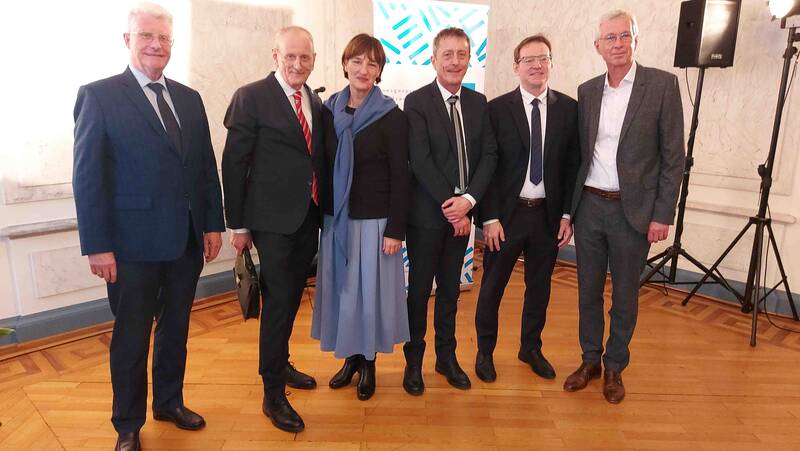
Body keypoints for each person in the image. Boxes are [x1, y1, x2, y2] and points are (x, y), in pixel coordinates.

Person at [72, 2, 224, 450]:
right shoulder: (99, 95)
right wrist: (97, 245)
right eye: (146, 36)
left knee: (175, 330)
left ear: (171, 44)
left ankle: (169, 402)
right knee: (132, 338)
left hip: (185, 242)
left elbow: (204, 167)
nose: (156, 45)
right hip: (130, 247)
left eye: (164, 38)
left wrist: (212, 224)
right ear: (128, 40)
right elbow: (88, 178)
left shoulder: (190, 98)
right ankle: (127, 425)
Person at [565, 10, 684, 404]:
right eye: (610, 38)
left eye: (624, 36)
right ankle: (590, 360)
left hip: (633, 212)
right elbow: (580, 155)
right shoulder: (587, 91)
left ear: (635, 40)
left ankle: (615, 366)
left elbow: (673, 158)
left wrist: (662, 214)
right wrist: (569, 210)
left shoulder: (662, 86)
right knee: (587, 292)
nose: (617, 44)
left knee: (625, 295)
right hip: (589, 207)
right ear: (597, 46)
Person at [221, 26, 325, 432]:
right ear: (275, 56)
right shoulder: (250, 97)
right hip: (270, 222)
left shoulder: (314, 99)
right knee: (279, 301)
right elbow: (234, 164)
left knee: (292, 297)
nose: (298, 64)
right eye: (290, 56)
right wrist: (238, 224)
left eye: (305, 57)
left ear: (313, 59)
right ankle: (272, 393)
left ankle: (281, 363)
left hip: (308, 218)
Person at [474, 34, 579, 383]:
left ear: (551, 63)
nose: (537, 65)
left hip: (547, 216)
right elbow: (487, 167)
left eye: (543, 58)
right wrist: (489, 217)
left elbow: (572, 166)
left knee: (539, 288)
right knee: (492, 287)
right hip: (506, 217)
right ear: (516, 66)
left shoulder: (569, 109)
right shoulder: (496, 109)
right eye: (529, 60)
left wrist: (567, 214)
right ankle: (484, 351)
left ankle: (530, 348)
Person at [312, 33, 410, 402]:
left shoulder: (392, 116)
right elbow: (321, 166)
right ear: (345, 64)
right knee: (345, 294)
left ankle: (369, 363)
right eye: (357, 61)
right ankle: (351, 358)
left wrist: (396, 229)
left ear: (380, 70)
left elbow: (401, 176)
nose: (364, 69)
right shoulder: (327, 111)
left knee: (370, 297)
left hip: (375, 223)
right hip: (337, 222)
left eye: (372, 63)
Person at [403, 27, 498, 395]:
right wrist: (453, 207)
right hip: (428, 217)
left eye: (462, 54)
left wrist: (469, 202)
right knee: (419, 293)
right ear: (434, 59)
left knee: (450, 292)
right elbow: (420, 160)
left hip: (464, 215)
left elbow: (489, 155)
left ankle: (446, 358)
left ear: (469, 59)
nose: (455, 61)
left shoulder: (478, 102)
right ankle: (414, 362)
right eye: (448, 54)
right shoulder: (417, 101)